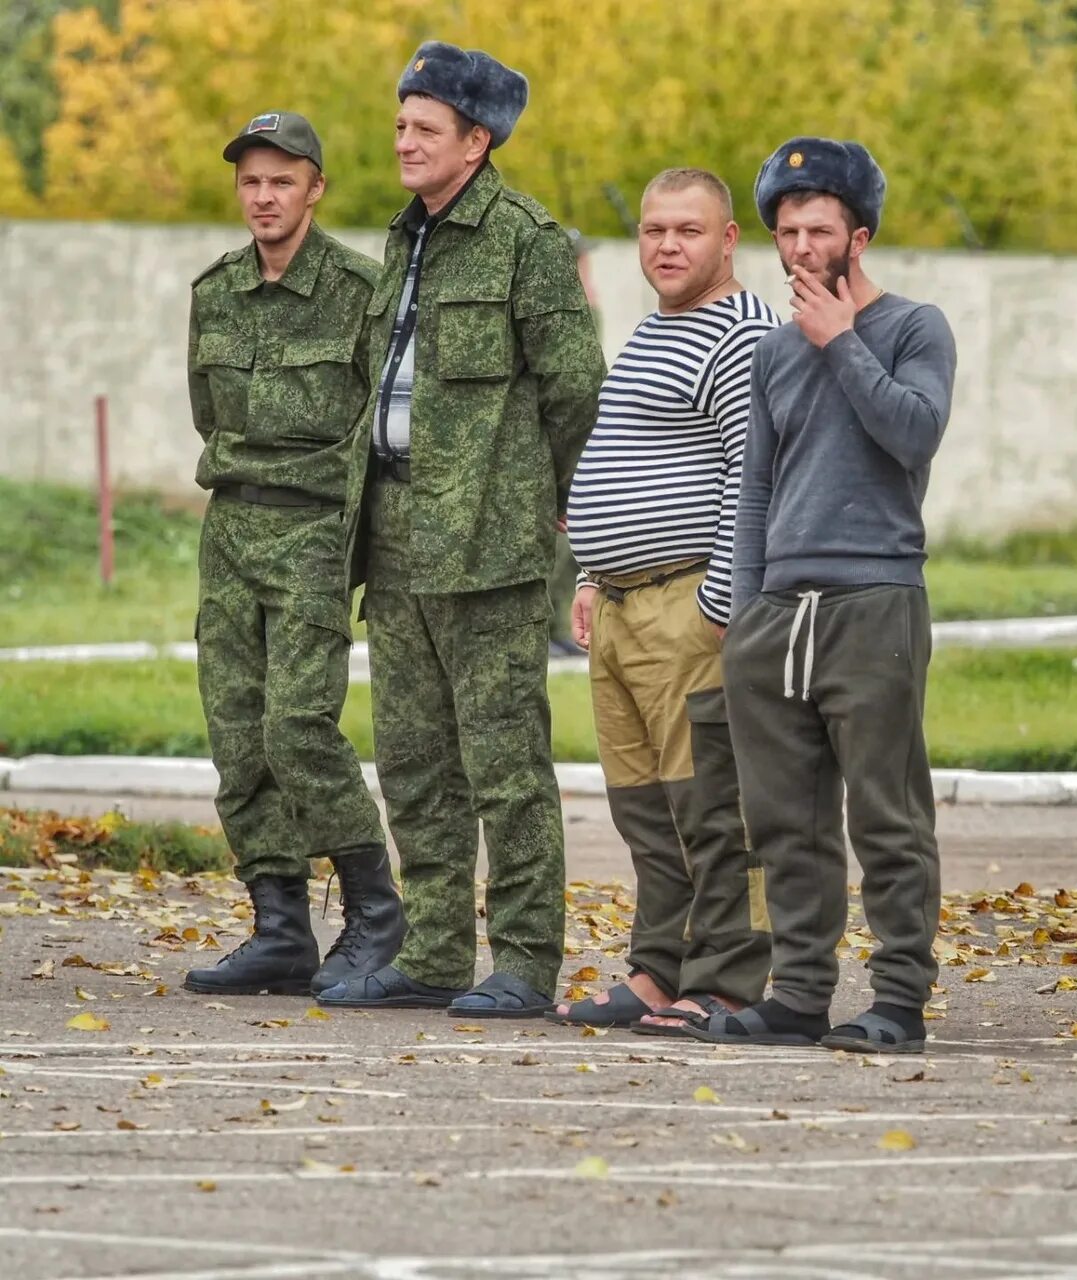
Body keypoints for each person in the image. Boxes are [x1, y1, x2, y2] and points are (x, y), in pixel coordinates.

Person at [317, 43, 605, 1015]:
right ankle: (435, 949)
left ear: (475, 142)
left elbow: (574, 389)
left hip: (491, 543)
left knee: (504, 763)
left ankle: (524, 958)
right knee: (411, 757)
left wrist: (567, 526)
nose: (402, 141)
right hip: (393, 535)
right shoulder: (403, 239)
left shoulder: (526, 239)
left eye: (423, 128)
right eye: (399, 123)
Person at [692, 137, 957, 1051]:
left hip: (874, 604)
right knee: (785, 824)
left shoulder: (914, 329)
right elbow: (755, 486)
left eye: (819, 231)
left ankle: (898, 1001)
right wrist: (748, 611)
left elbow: (914, 435)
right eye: (787, 232)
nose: (801, 248)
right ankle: (799, 994)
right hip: (779, 616)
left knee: (886, 814)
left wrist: (840, 342)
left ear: (860, 236)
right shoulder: (769, 352)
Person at [551, 168, 778, 1034]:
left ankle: (723, 978)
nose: (668, 246)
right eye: (653, 231)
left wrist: (720, 601)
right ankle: (659, 968)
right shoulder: (656, 330)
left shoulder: (742, 336)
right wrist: (587, 577)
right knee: (645, 805)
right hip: (619, 608)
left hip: (688, 609)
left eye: (688, 230)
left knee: (709, 804)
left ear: (728, 242)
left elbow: (748, 478)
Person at [184, 112, 404, 998]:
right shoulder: (216, 290)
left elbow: (375, 425)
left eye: (282, 180)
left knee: (297, 727)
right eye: (251, 182)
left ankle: (376, 916)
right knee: (237, 736)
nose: (264, 196)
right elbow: (208, 412)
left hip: (314, 531)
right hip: (231, 528)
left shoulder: (360, 289)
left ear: (315, 187)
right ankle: (278, 927)